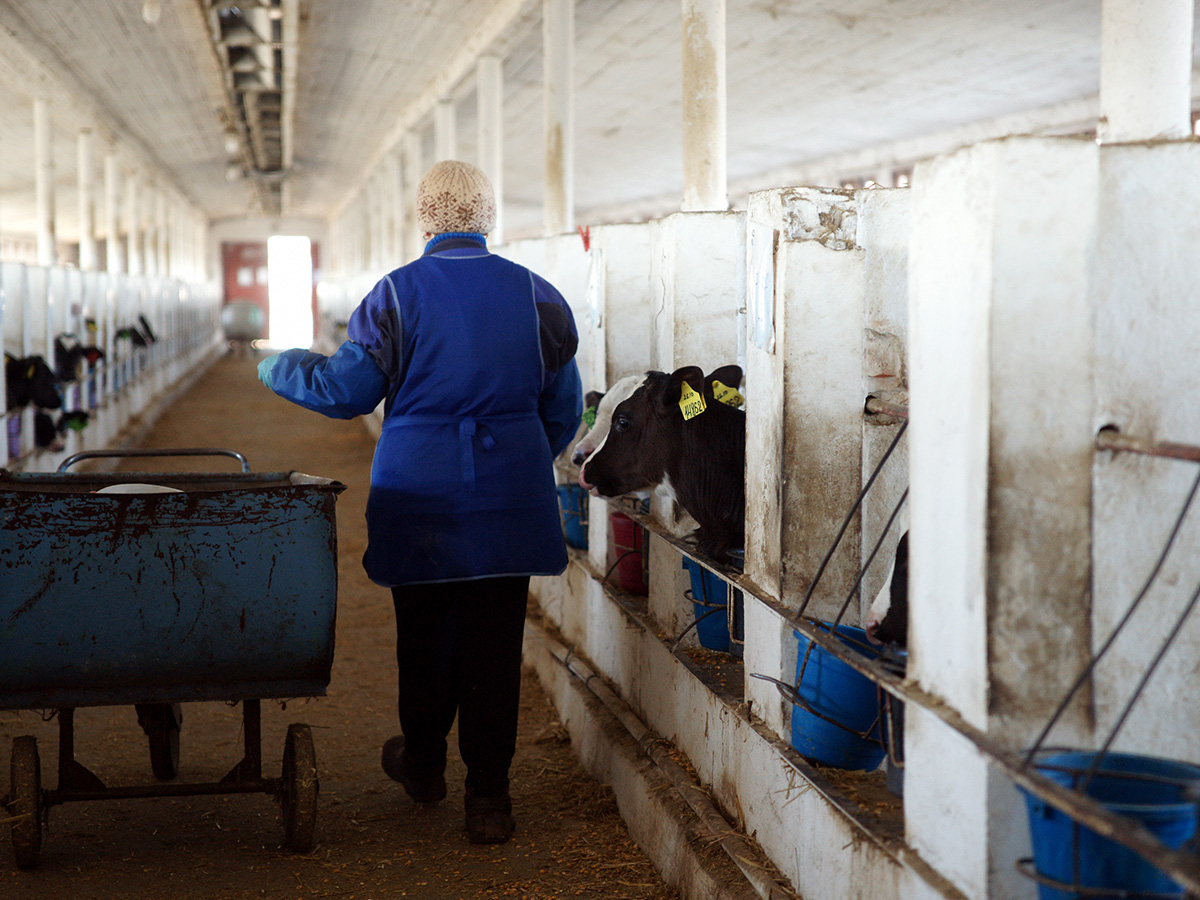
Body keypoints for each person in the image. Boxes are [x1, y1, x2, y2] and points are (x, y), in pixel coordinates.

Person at [257, 160, 582, 844]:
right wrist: (516, 463)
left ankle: (426, 764)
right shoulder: (540, 297)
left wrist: (277, 363)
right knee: (497, 651)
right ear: (488, 219)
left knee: (425, 641)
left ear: (424, 219)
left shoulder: (395, 297)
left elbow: (345, 393)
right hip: (509, 506)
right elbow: (564, 409)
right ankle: (489, 800)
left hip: (420, 500)